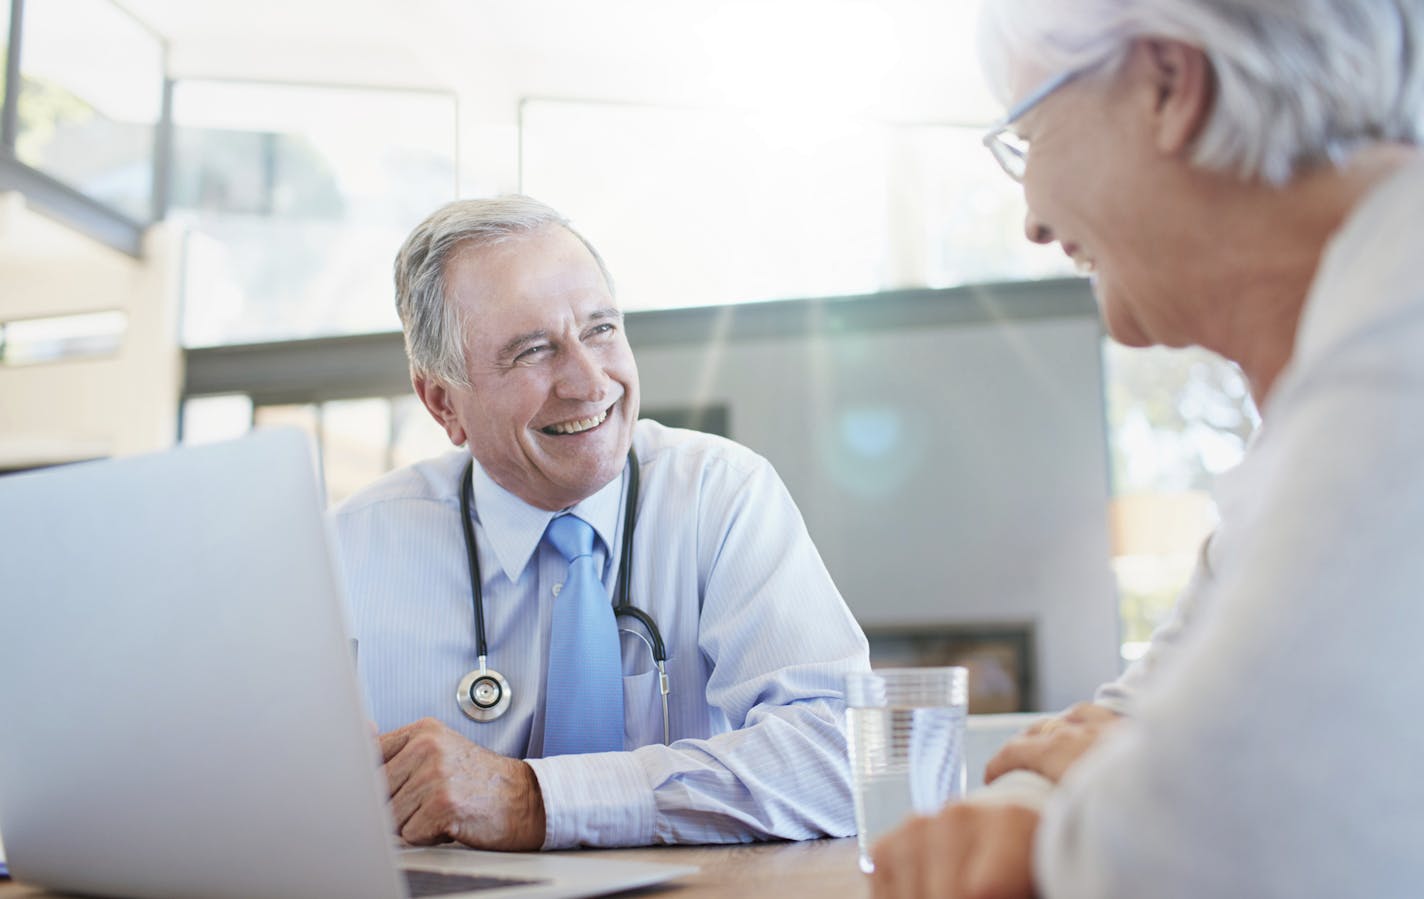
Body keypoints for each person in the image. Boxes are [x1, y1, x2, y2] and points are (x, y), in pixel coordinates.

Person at [870, 0, 1424, 896]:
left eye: (1032, 132)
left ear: (1169, 84)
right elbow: (1127, 721)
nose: (1033, 222)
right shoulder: (1316, 404)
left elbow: (1183, 842)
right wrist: (1093, 789)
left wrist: (1078, 818)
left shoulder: (1394, 362)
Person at [332, 196, 870, 851]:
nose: (590, 383)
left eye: (601, 330)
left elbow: (842, 756)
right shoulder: (349, 552)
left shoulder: (721, 496)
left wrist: (533, 800)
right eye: (532, 351)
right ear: (444, 401)